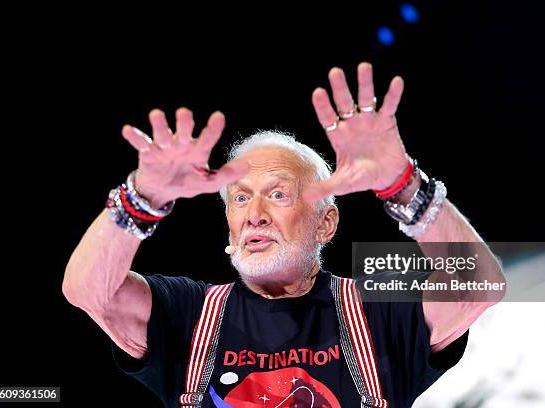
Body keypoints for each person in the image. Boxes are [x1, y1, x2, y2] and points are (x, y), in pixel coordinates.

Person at [62, 63, 505, 407]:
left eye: (277, 194)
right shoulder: (188, 314)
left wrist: (402, 185)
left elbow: (478, 286)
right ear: (229, 227)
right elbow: (89, 291)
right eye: (239, 199)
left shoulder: (379, 312)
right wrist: (141, 199)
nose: (255, 214)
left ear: (326, 223)